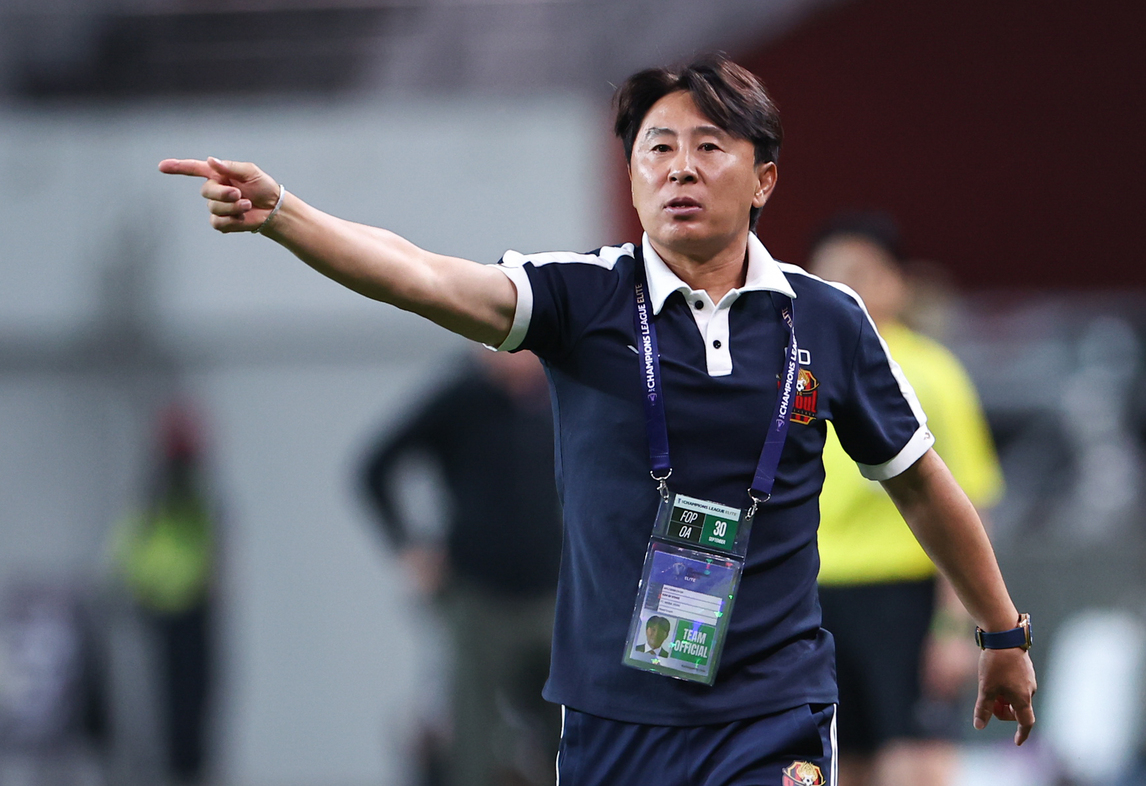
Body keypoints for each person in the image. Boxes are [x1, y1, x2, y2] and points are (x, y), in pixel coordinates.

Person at [159, 53, 1036, 786]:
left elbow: (922, 485)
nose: (680, 168)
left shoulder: (827, 319)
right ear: (632, 177)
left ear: (764, 179)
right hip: (614, 715)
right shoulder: (583, 296)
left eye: (709, 146)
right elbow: (420, 273)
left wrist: (1000, 631)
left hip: (774, 710)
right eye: (658, 148)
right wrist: (286, 217)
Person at [808, 213, 1005, 786]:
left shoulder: (933, 374)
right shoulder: (797, 367)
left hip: (904, 601)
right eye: (831, 275)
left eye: (863, 273)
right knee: (837, 764)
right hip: (816, 599)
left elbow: (972, 505)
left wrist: (954, 629)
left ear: (898, 283)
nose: (848, 288)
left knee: (914, 765)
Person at [358, 346, 561, 786]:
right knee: (474, 739)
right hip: (479, 596)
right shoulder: (461, 398)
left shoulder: (559, 395)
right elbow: (375, 467)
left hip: (552, 595)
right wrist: (408, 547)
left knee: (566, 732)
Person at [111, 402, 217, 786]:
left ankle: (186, 766)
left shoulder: (182, 489)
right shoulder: (166, 490)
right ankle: (179, 768)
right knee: (178, 698)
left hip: (184, 602)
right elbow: (136, 545)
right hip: (169, 604)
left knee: (191, 697)